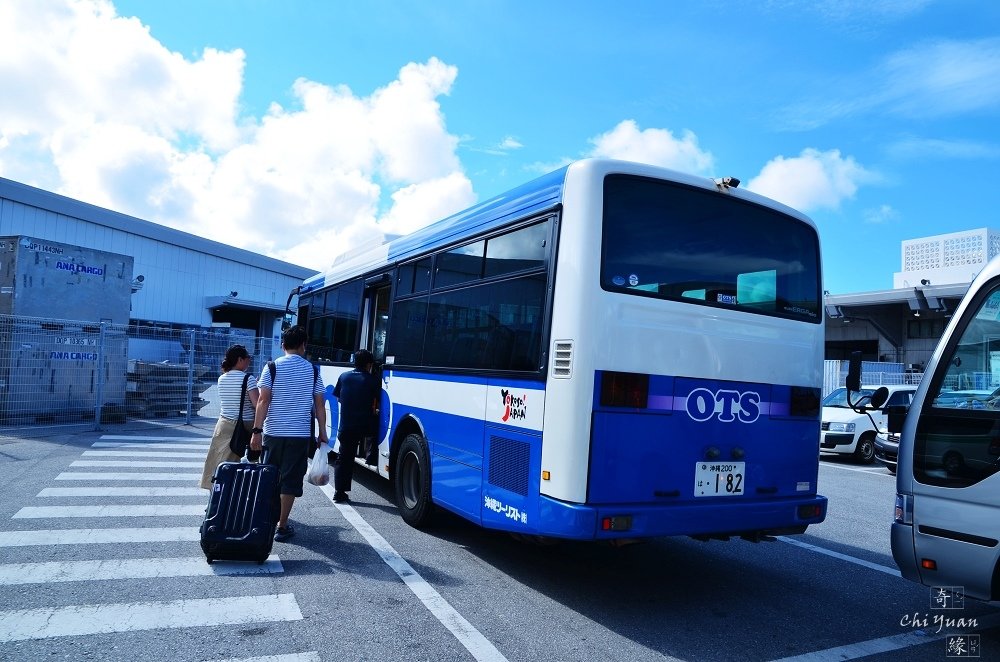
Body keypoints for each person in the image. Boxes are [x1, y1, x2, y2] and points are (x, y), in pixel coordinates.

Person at [250, 326, 328, 542]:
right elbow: (319, 405)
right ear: (304, 346)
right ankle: (282, 526)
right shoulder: (313, 370)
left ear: (282, 345)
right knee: (290, 480)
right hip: (299, 435)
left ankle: (265, 518)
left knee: (270, 475)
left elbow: (263, 401)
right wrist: (322, 432)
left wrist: (256, 431)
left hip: (273, 433)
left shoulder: (272, 367)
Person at [200, 345, 258, 490]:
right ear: (240, 360)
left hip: (224, 422)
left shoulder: (222, 378)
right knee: (249, 460)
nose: (249, 362)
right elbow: (257, 404)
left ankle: (215, 492)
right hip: (246, 424)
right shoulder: (248, 379)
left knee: (218, 460)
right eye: (247, 359)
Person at [332, 349, 381, 503]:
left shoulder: (344, 377)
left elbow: (339, 398)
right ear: (369, 364)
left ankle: (339, 492)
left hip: (346, 425)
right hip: (365, 424)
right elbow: (379, 401)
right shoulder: (372, 380)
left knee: (344, 458)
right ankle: (371, 456)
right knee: (378, 428)